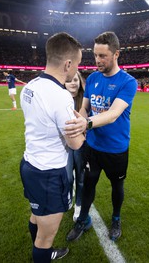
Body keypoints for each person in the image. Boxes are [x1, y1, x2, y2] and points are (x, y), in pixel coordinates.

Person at [64, 31, 138, 242]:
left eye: (103, 56)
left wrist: (86, 123)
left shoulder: (128, 82)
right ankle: (82, 220)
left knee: (117, 186)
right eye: (95, 55)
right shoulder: (94, 78)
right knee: (88, 185)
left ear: (116, 54)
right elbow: (86, 108)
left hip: (116, 148)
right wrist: (82, 120)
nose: (97, 60)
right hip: (93, 146)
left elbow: (113, 114)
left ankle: (116, 219)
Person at [19, 32, 85, 263]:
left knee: (36, 216)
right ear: (67, 64)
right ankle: (43, 252)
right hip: (48, 173)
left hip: (30, 164)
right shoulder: (60, 96)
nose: (77, 68)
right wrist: (83, 131)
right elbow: (75, 143)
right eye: (77, 64)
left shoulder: (31, 86)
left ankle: (42, 252)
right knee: (46, 237)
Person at [65, 71, 86, 222]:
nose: (73, 83)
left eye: (75, 80)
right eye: (69, 80)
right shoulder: (60, 100)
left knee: (80, 177)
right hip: (65, 146)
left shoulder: (84, 100)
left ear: (80, 82)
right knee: (67, 176)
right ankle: (69, 196)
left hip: (81, 146)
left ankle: (78, 205)